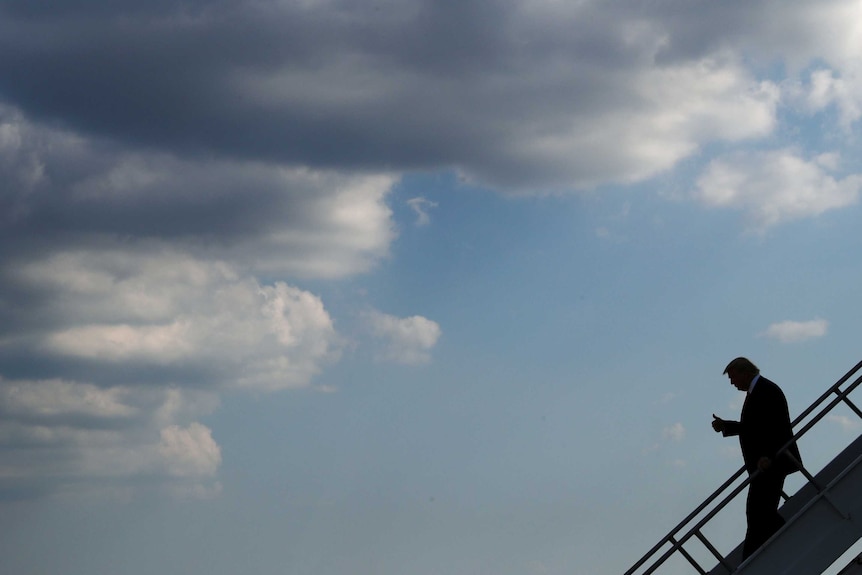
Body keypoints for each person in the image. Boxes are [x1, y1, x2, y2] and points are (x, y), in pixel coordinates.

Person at [711, 357, 802, 560]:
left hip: (771, 464)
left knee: (759, 514)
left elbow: (774, 427)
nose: (732, 382)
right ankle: (755, 559)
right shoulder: (760, 390)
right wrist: (726, 425)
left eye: (733, 377)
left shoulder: (765, 390)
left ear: (745, 373)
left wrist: (767, 456)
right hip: (767, 464)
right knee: (758, 514)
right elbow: (756, 427)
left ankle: (755, 560)